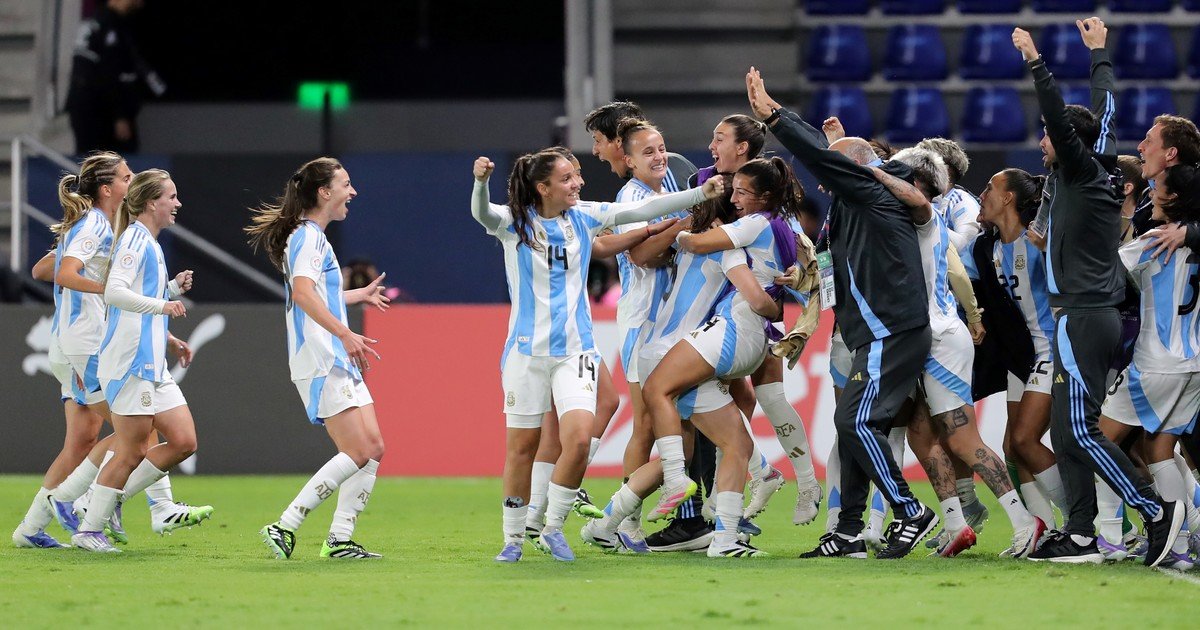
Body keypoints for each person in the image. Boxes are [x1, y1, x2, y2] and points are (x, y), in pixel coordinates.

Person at [472, 149, 723, 563]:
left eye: (577, 175)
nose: (578, 183)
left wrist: (699, 195)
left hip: (576, 352)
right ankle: (513, 538)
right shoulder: (516, 225)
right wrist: (480, 183)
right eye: (568, 178)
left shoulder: (584, 217)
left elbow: (646, 206)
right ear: (543, 188)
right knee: (522, 448)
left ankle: (552, 526)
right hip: (525, 355)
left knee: (577, 438)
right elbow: (482, 214)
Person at [747, 67, 938, 560]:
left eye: (837, 171)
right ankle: (849, 531)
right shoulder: (853, 204)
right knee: (852, 427)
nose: (825, 182)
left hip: (889, 331)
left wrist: (775, 116)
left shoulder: (872, 193)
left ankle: (909, 510)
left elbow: (828, 161)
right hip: (872, 332)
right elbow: (835, 163)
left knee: (855, 424)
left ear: (853, 171)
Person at [1013, 19, 1183, 567]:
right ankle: (1083, 533)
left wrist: (1041, 61)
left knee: (1080, 430)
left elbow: (1088, 112)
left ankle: (1153, 509)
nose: (1043, 139)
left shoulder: (1084, 173)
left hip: (1083, 315)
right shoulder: (1071, 180)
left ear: (1069, 141)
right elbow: (1096, 115)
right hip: (1082, 315)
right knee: (1066, 434)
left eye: (1050, 132)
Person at [583, 180, 784, 558]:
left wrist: (671, 227)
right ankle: (725, 532)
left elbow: (644, 256)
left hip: (660, 348)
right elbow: (758, 299)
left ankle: (604, 524)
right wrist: (779, 300)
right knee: (726, 444)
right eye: (736, 205)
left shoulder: (683, 243)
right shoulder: (727, 250)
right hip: (677, 355)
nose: (741, 210)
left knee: (711, 444)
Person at [872, 149, 1046, 559]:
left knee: (963, 438)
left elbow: (951, 268)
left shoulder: (923, 214)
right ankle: (956, 523)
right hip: (918, 336)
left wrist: (869, 171)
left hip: (939, 338)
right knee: (919, 433)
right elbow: (951, 269)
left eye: (900, 175)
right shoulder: (910, 220)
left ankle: (1025, 522)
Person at [247, 157, 390, 560]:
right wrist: (344, 332)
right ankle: (285, 524)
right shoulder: (307, 237)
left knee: (374, 446)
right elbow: (304, 295)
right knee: (358, 451)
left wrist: (353, 297)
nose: (353, 192)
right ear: (324, 192)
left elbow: (314, 295)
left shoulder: (312, 237)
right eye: (346, 184)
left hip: (332, 355)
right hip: (321, 355)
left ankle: (340, 539)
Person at [70, 169, 204, 552]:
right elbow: (114, 292)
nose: (177, 204)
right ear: (151, 203)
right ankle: (88, 527)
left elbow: (136, 293)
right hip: (129, 363)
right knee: (131, 449)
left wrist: (170, 288)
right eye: (171, 197)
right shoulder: (134, 241)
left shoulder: (149, 243)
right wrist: (164, 303)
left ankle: (98, 501)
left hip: (151, 365)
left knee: (183, 441)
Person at [1097, 164, 1200, 570]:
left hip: (1156, 363)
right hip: (1193, 363)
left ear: (1173, 197)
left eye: (1156, 188)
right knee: (1159, 449)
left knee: (1097, 442)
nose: (1150, 193)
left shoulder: (1157, 239)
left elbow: (1105, 274)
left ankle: (1110, 538)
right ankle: (1185, 543)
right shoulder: (1192, 241)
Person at [970, 168, 1068, 542]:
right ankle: (1044, 531)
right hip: (1022, 357)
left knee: (1025, 440)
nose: (983, 194)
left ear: (1009, 198)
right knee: (1012, 447)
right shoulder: (987, 248)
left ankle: (1081, 521)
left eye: (990, 187)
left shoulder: (1039, 242)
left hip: (1055, 348)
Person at [65, 0, 165, 155]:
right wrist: (119, 116)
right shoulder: (109, 24)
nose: (139, 4)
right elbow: (108, 72)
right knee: (110, 161)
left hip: (83, 102)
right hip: (96, 108)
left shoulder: (96, 20)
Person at [915, 138, 982, 253]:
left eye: (924, 163)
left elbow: (965, 245)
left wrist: (927, 215)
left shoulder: (962, 201)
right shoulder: (922, 199)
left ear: (945, 170)